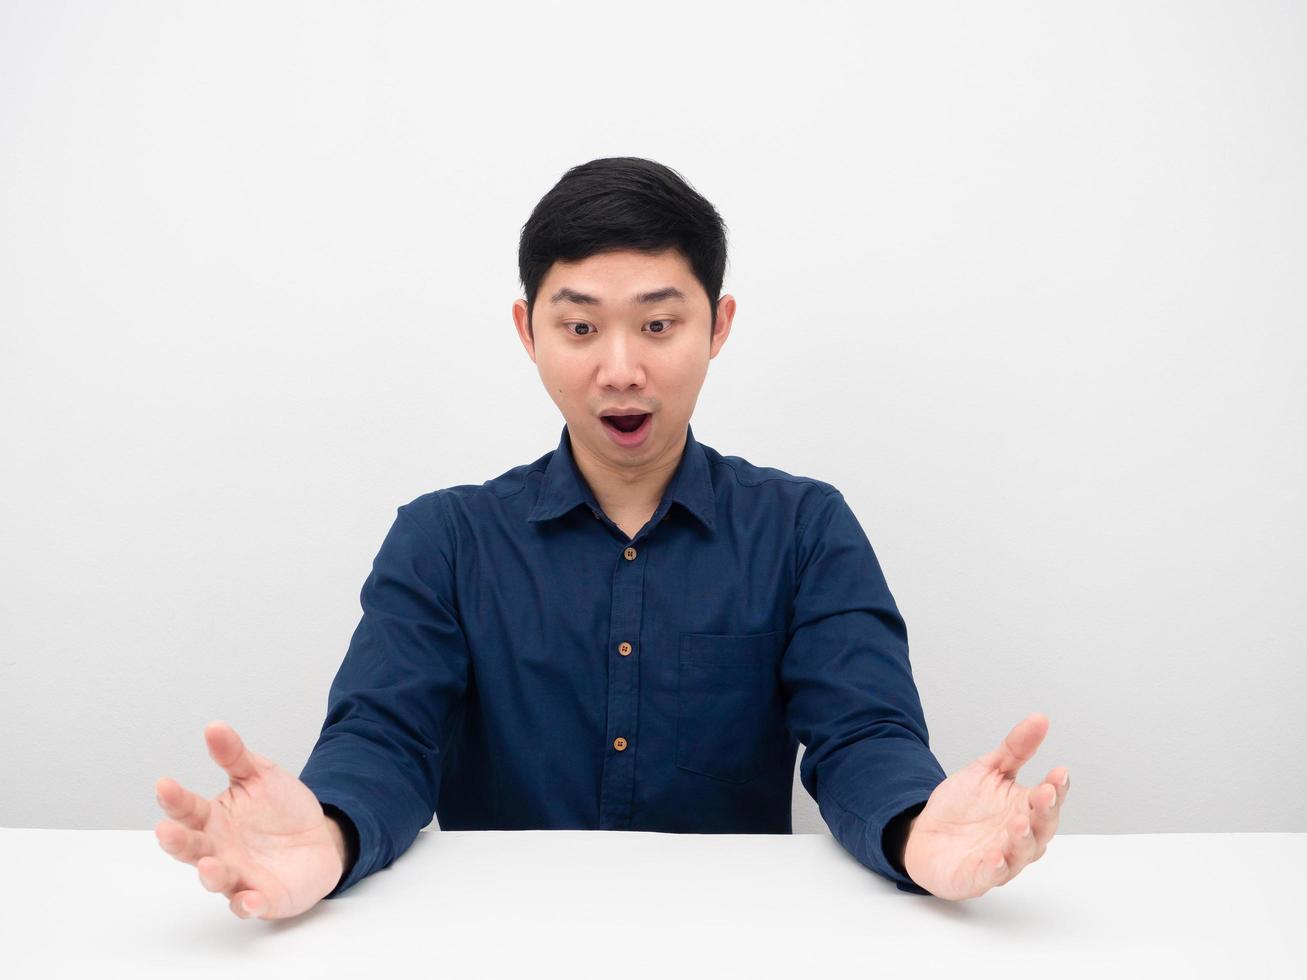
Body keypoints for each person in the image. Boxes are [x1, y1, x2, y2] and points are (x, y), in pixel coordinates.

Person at [153, 157, 1070, 921]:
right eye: (581, 326)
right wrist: (333, 829)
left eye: (660, 324)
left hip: (734, 946)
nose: (621, 369)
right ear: (528, 330)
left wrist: (916, 832)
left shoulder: (803, 528)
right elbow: (387, 738)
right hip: (484, 944)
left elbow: (861, 732)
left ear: (719, 326)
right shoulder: (444, 538)